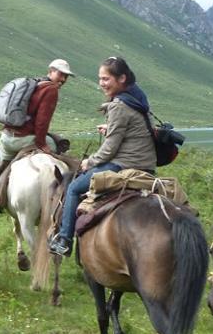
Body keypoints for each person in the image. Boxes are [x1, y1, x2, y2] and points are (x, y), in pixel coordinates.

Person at [48, 56, 157, 256]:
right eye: (100, 79)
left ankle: (64, 240)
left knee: (73, 188)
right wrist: (110, 128)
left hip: (124, 165)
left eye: (106, 79)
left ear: (121, 78)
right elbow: (134, 129)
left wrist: (89, 162)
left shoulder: (118, 105)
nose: (101, 84)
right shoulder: (137, 97)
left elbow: (109, 150)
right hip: (147, 165)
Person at [0, 58, 74, 209]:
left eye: (66, 76)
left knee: (2, 165)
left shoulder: (36, 84)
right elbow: (42, 121)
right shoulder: (50, 89)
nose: (63, 79)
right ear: (51, 71)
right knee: (56, 146)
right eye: (61, 74)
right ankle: (61, 195)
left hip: (7, 137)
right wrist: (41, 143)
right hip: (24, 139)